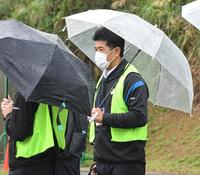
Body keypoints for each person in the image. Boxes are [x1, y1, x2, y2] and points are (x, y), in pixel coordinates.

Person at [89, 27, 149, 175]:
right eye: (96, 49)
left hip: (127, 164)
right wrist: (98, 162)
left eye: (101, 49)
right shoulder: (103, 79)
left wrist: (105, 118)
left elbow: (139, 117)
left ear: (116, 52)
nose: (97, 54)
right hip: (103, 162)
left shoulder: (132, 80)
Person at [1, 92, 87, 175]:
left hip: (28, 161)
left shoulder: (27, 91)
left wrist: (9, 115)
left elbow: (18, 132)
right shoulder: (62, 91)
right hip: (55, 157)